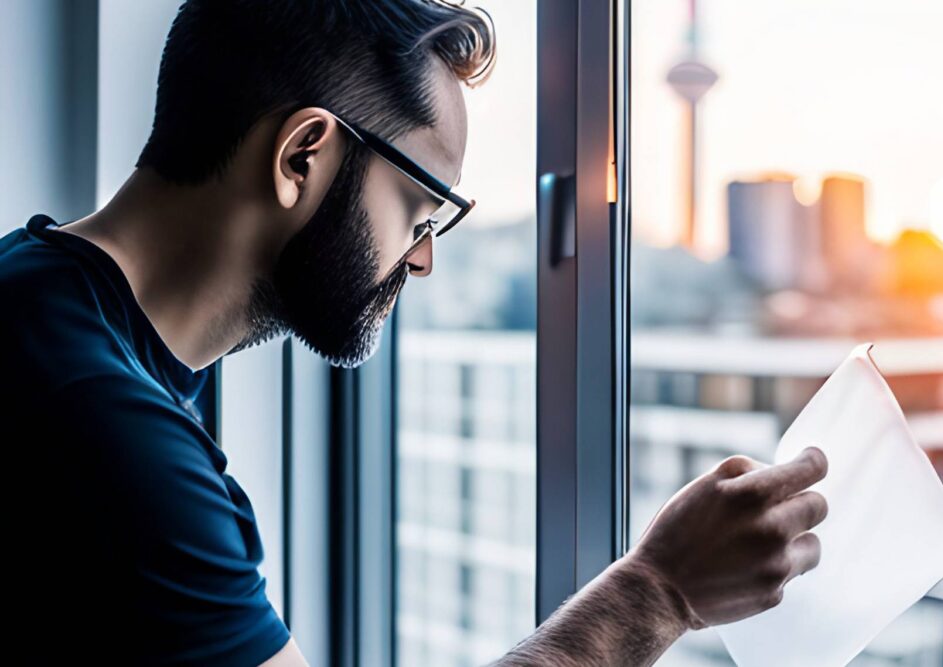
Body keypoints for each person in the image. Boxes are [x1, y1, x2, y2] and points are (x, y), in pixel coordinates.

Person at [0, 1, 828, 665]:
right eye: (420, 210)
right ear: (302, 156)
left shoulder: (43, 299)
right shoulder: (105, 426)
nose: (422, 259)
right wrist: (662, 587)